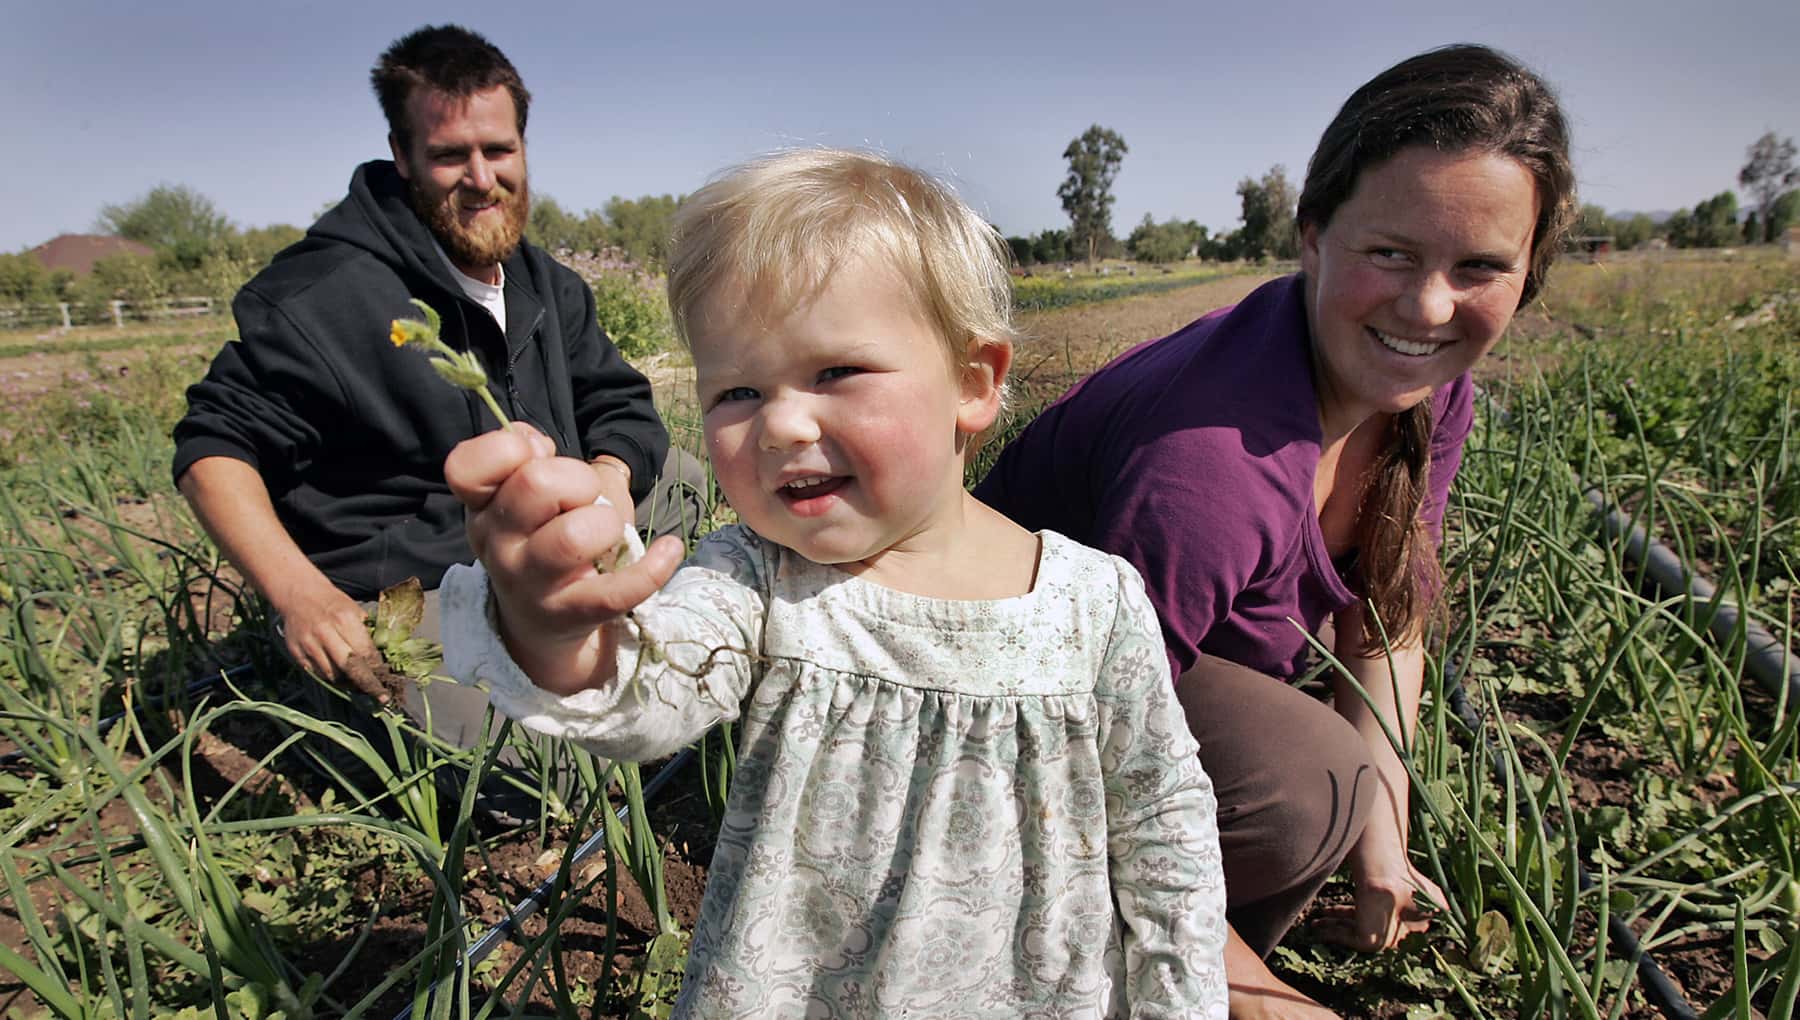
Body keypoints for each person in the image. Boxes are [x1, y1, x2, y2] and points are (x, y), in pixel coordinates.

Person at [438, 149, 1230, 1015]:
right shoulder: (757, 580)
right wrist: (559, 632)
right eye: (736, 390)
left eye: (835, 373)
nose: (779, 422)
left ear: (974, 382)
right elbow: (652, 686)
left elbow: (1166, 832)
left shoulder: (1094, 605)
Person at [975, 44, 1576, 1017]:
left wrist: (1385, 842)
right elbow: (1067, 756)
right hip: (991, 708)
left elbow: (1387, 616)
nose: (1428, 306)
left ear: (1529, 274)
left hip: (1129, 683)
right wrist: (1257, 996)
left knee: (1338, 795)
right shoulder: (1208, 470)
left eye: (1479, 267)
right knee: (1307, 784)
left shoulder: (1425, 393)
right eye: (1391, 252)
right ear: (1311, 234)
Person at [171, 25, 702, 748]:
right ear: (403, 156)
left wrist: (609, 477)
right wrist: (302, 597)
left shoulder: (546, 283)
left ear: (523, 146)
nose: (481, 179)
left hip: (549, 546)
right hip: (423, 585)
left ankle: (600, 619)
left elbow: (618, 401)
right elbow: (214, 447)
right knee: (543, 767)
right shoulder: (323, 297)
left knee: (680, 475)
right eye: (451, 156)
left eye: (499, 151)